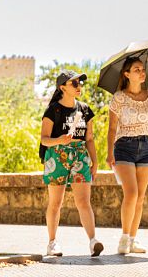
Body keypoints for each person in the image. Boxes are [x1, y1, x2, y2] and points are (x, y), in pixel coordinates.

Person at [106, 57, 148, 254]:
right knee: (131, 193)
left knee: (140, 197)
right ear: (127, 74)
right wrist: (109, 153)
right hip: (124, 146)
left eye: (143, 69)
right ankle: (124, 239)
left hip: (146, 146)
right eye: (137, 69)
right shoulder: (119, 98)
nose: (142, 72)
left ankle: (133, 240)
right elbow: (112, 128)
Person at [41, 70, 103, 257]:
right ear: (62, 88)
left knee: (84, 201)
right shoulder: (53, 110)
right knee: (56, 202)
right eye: (74, 84)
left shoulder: (85, 109)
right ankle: (52, 243)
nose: (79, 86)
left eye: (80, 83)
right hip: (57, 156)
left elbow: (89, 138)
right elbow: (44, 139)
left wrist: (95, 161)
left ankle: (93, 241)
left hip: (80, 155)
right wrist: (59, 139)